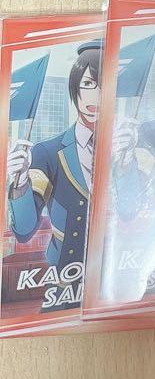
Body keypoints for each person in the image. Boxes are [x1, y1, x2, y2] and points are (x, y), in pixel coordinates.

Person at [6, 41, 103, 281]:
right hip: (63, 277)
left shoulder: (128, 146)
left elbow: (131, 211)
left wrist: (126, 161)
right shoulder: (48, 152)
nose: (96, 94)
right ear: (74, 88)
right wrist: (20, 184)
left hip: (117, 273)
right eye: (88, 84)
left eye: (104, 84)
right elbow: (24, 231)